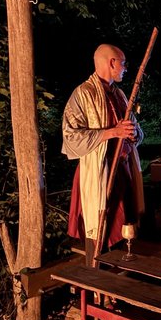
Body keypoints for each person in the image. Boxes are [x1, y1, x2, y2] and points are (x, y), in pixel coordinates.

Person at [62, 44, 144, 268]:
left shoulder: (120, 94)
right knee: (100, 228)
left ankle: (120, 275)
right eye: (123, 63)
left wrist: (133, 133)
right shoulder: (83, 94)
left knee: (124, 227)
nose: (125, 68)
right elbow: (71, 136)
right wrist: (112, 132)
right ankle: (97, 279)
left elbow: (135, 129)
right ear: (111, 62)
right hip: (98, 174)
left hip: (122, 170)